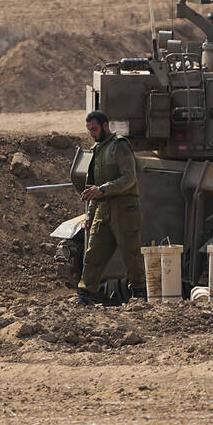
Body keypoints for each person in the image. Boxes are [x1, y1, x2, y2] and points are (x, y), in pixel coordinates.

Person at [76, 110, 146, 305]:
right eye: (89, 130)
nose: (92, 133)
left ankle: (139, 293)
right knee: (93, 252)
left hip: (124, 207)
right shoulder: (96, 150)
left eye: (95, 129)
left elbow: (129, 178)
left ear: (105, 125)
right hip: (102, 208)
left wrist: (103, 189)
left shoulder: (120, 146)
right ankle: (85, 293)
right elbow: (92, 188)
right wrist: (90, 215)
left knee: (130, 252)